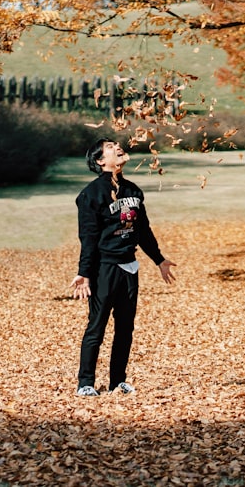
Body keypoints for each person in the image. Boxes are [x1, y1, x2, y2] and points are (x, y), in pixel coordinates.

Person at [71, 138, 176, 396]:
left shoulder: (133, 191)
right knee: (96, 326)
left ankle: (118, 380)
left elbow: (143, 231)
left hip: (130, 268)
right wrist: (84, 273)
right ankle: (85, 383)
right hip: (104, 269)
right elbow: (88, 238)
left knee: (125, 328)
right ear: (100, 161)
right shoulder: (90, 195)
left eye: (117, 144)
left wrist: (159, 259)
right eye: (109, 147)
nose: (117, 147)